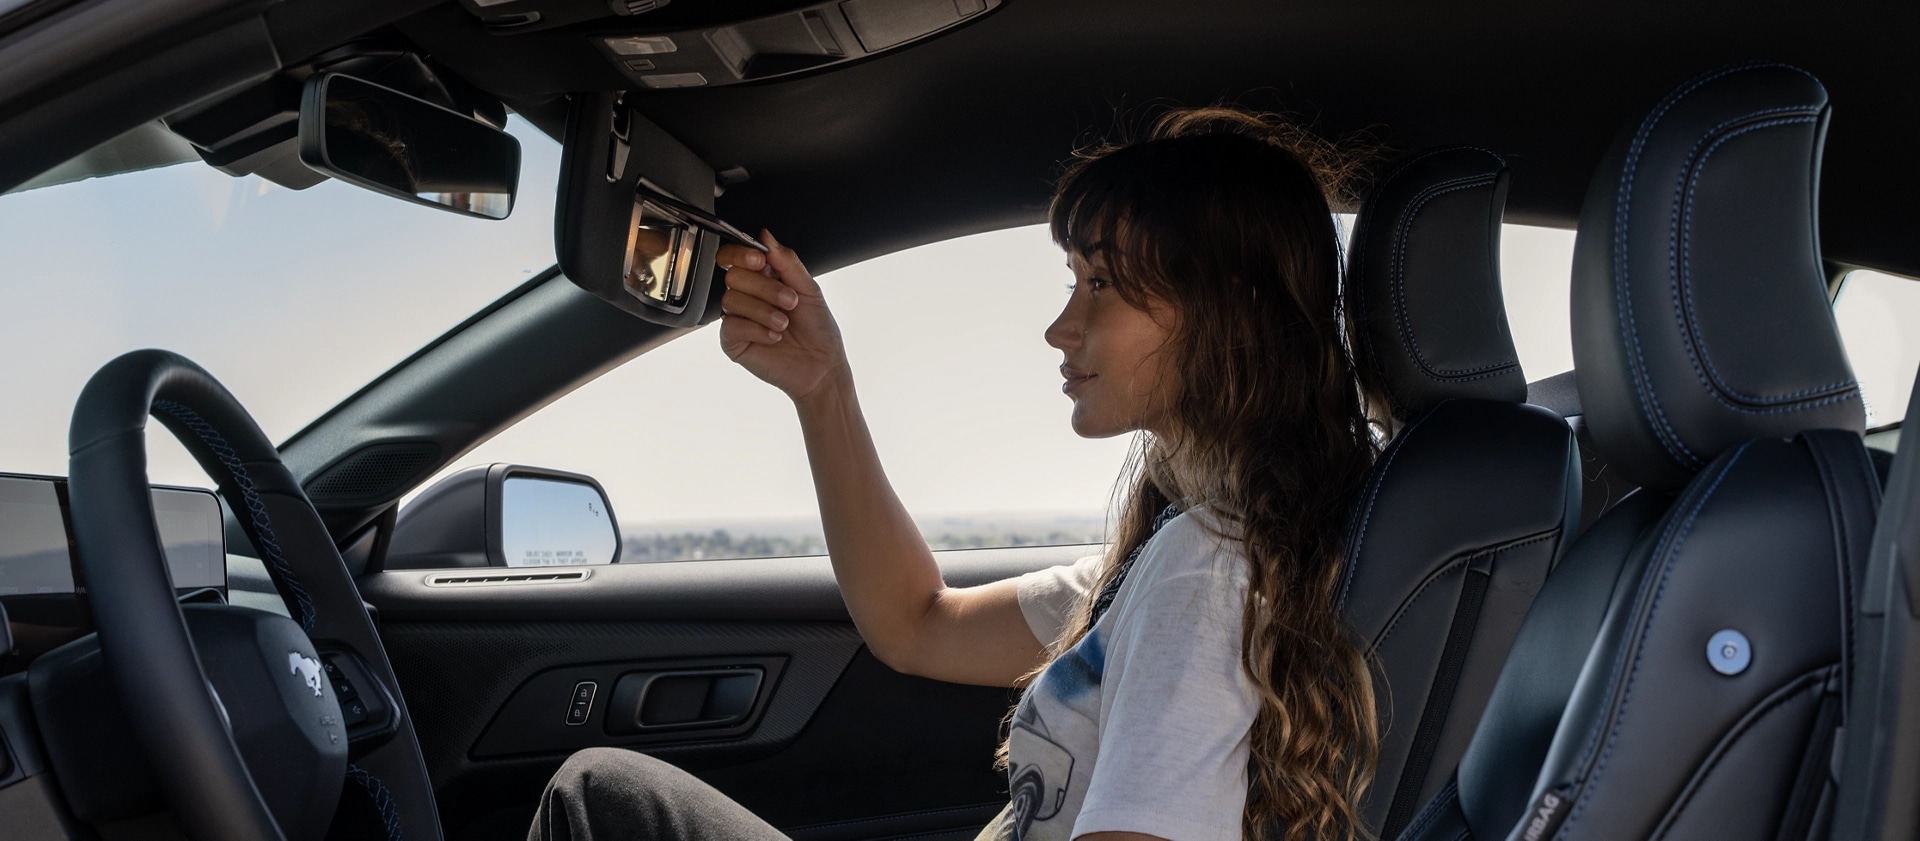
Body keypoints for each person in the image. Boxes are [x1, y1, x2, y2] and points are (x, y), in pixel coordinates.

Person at [527, 107, 1386, 841]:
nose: (1061, 325)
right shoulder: (1190, 547)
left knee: (599, 799)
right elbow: (915, 623)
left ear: (1223, 313)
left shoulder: (1203, 574)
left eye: (1101, 284)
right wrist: (825, 391)